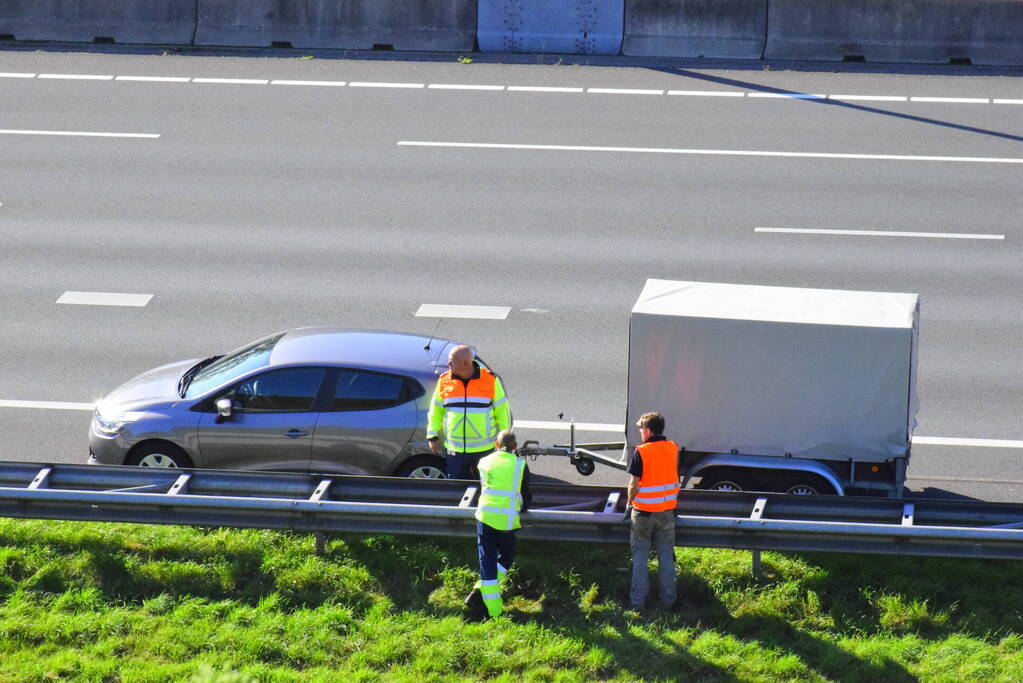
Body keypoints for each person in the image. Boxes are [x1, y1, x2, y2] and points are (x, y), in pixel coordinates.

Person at [464, 429, 532, 619]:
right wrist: (523, 507)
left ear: (496, 444)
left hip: (485, 517)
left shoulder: (484, 462)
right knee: (506, 559)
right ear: (515, 447)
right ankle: (493, 611)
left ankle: (479, 594)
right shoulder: (520, 465)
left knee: (487, 561)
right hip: (507, 521)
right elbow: (526, 494)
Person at [427, 344, 511, 480]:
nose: (448, 364)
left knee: (484, 487)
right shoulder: (445, 381)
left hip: (484, 450)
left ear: (466, 363)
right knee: (457, 492)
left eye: (452, 361)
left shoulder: (490, 380)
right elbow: (435, 410)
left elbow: (502, 411)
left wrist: (504, 440)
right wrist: (432, 436)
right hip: (455, 451)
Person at [626, 412, 681, 610]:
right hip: (666, 511)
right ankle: (669, 601)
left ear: (648, 430)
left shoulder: (641, 451)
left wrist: (629, 502)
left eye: (641, 428)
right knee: (666, 556)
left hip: (643, 513)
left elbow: (633, 485)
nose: (640, 431)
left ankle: (637, 603)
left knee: (640, 556)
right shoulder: (672, 448)